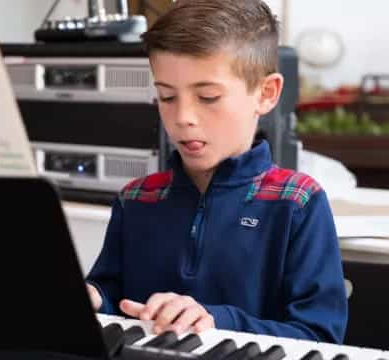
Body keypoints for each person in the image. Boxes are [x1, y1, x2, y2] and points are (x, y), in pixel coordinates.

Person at [86, 0, 347, 344]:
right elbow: (112, 299)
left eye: (207, 97)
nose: (183, 118)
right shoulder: (136, 198)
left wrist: (217, 321)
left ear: (266, 94)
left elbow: (320, 336)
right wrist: (91, 298)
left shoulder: (297, 203)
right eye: (166, 97)